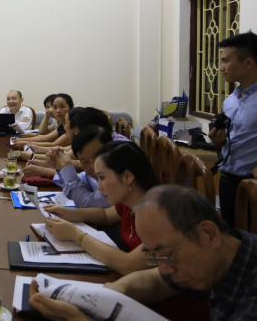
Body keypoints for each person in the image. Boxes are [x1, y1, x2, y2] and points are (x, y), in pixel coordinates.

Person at [30, 185, 257, 321]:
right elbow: (154, 281)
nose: (164, 269)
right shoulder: (206, 258)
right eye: (154, 257)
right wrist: (107, 296)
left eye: (166, 255)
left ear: (208, 234)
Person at [43, 141, 158, 275]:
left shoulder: (159, 217)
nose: (99, 187)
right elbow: (106, 214)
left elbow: (127, 264)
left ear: (127, 177)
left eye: (102, 178)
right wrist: (69, 213)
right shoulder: (129, 202)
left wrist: (75, 234)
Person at [208, 31, 257, 228]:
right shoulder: (230, 101)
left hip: (251, 185)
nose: (221, 67)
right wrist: (219, 142)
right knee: (230, 234)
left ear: (248, 63)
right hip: (227, 179)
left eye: (226, 61)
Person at [49, 125, 113, 208]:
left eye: (97, 157)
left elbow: (85, 203)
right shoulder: (90, 175)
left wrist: (66, 167)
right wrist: (59, 166)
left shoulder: (117, 175)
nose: (93, 166)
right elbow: (71, 189)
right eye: (85, 162)